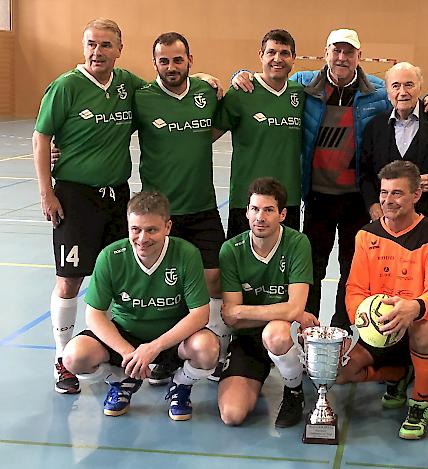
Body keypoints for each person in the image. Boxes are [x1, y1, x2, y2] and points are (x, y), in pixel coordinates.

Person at [232, 29, 428, 329]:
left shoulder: (377, 93)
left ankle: (342, 329)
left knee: (351, 269)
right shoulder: (304, 85)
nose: (342, 57)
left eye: (349, 52)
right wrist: (241, 74)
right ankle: (309, 329)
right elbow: (270, 77)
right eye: (337, 51)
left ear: (359, 56)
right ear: (326, 53)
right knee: (312, 268)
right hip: (318, 195)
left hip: (355, 197)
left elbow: (406, 96)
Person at [33, 18, 148, 394]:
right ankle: (63, 357)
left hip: (116, 195)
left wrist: (211, 80)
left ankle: (112, 351)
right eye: (91, 44)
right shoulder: (66, 86)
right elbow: (41, 137)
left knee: (116, 277)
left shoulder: (127, 85)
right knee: (69, 280)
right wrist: (47, 191)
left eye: (105, 45)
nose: (97, 52)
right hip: (74, 196)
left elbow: (162, 93)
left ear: (119, 48)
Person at [61, 191, 219, 421]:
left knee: (207, 349)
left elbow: (200, 314)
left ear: (168, 227)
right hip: (126, 336)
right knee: (74, 357)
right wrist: (128, 353)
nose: (142, 238)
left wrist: (154, 347)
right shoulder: (111, 256)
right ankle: (121, 382)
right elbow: (94, 314)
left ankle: (181, 385)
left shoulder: (187, 254)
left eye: (151, 230)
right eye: (135, 229)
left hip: (172, 339)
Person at [133, 32, 228, 383]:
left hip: (202, 206)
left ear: (190, 60)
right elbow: (107, 132)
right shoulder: (141, 98)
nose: (171, 67)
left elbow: (217, 127)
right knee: (165, 285)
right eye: (164, 61)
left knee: (213, 278)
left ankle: (216, 347)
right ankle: (167, 354)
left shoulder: (206, 93)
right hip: (160, 214)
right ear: (154, 62)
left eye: (177, 60)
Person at [338, 160, 428, 440]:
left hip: (420, 327)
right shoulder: (367, 235)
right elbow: (354, 288)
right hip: (380, 330)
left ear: (416, 195)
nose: (388, 200)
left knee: (427, 327)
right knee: (341, 372)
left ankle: (421, 403)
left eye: (397, 193)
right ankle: (399, 373)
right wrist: (364, 317)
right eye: (384, 193)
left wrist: (414, 308)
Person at [217, 178, 317, 428]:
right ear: (247, 212)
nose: (260, 217)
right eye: (255, 209)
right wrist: (285, 312)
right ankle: (265, 370)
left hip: (284, 334)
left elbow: (293, 309)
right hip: (248, 339)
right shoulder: (231, 250)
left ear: (282, 214)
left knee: (276, 333)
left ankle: (294, 391)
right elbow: (231, 319)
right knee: (232, 415)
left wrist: (242, 311)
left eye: (269, 210)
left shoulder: (297, 243)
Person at [359, 62, 428, 232]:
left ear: (420, 87)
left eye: (409, 85)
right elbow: (364, 173)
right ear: (388, 92)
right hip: (388, 225)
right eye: (396, 86)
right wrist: (372, 205)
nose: (402, 92)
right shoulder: (375, 127)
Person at [214, 30, 304, 239]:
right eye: (271, 52)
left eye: (284, 53)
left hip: (286, 201)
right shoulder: (241, 92)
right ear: (261, 55)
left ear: (293, 59)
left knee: (282, 267)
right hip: (247, 201)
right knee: (240, 266)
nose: (277, 59)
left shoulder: (299, 94)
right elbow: (207, 136)